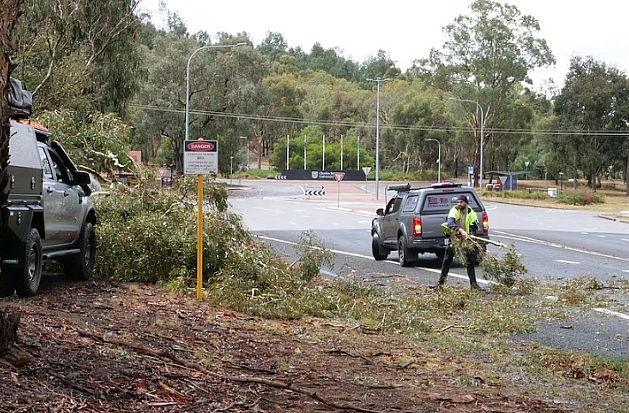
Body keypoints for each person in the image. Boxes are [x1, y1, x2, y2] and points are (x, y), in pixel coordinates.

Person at [435, 194, 482, 290]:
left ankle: (474, 285)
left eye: (461, 202)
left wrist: (470, 237)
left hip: (466, 240)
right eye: (458, 202)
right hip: (454, 238)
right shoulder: (454, 210)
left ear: (466, 203)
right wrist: (461, 231)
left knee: (470, 261)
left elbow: (474, 228)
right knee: (447, 260)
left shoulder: (472, 214)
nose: (459, 204)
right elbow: (450, 223)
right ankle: (440, 283)